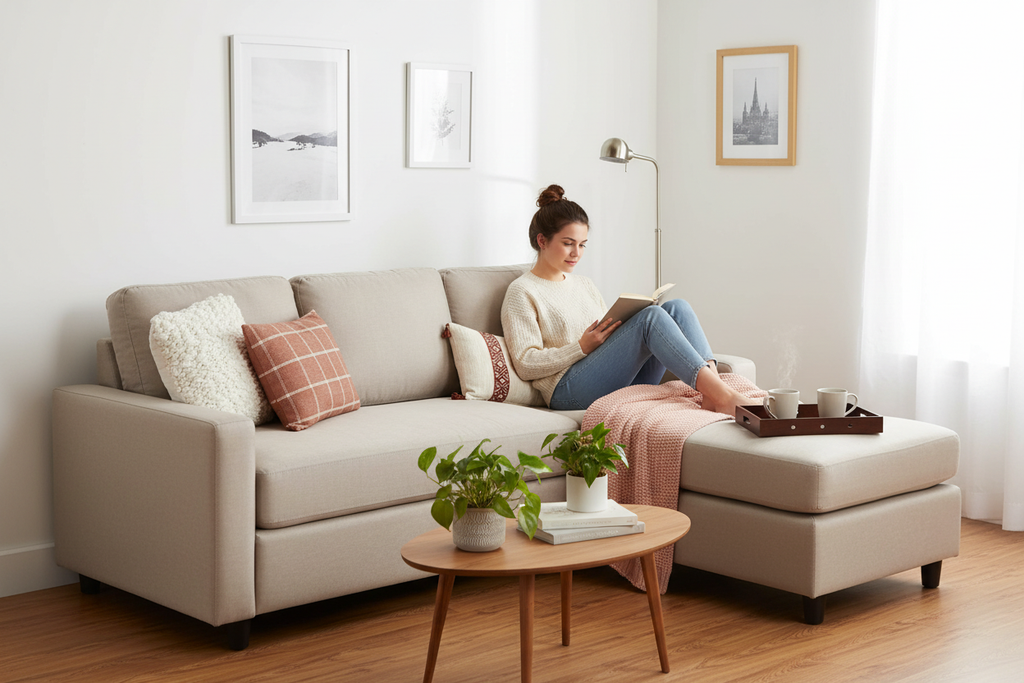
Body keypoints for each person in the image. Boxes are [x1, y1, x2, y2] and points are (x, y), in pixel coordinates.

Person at [500, 184, 755, 416]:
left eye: (582, 244)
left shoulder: (584, 284)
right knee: (651, 319)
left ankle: (713, 393)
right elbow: (525, 364)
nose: (577, 253)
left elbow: (608, 340)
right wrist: (581, 347)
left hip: (610, 377)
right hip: (567, 390)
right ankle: (723, 396)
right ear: (542, 240)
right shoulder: (522, 291)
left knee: (678, 308)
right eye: (568, 243)